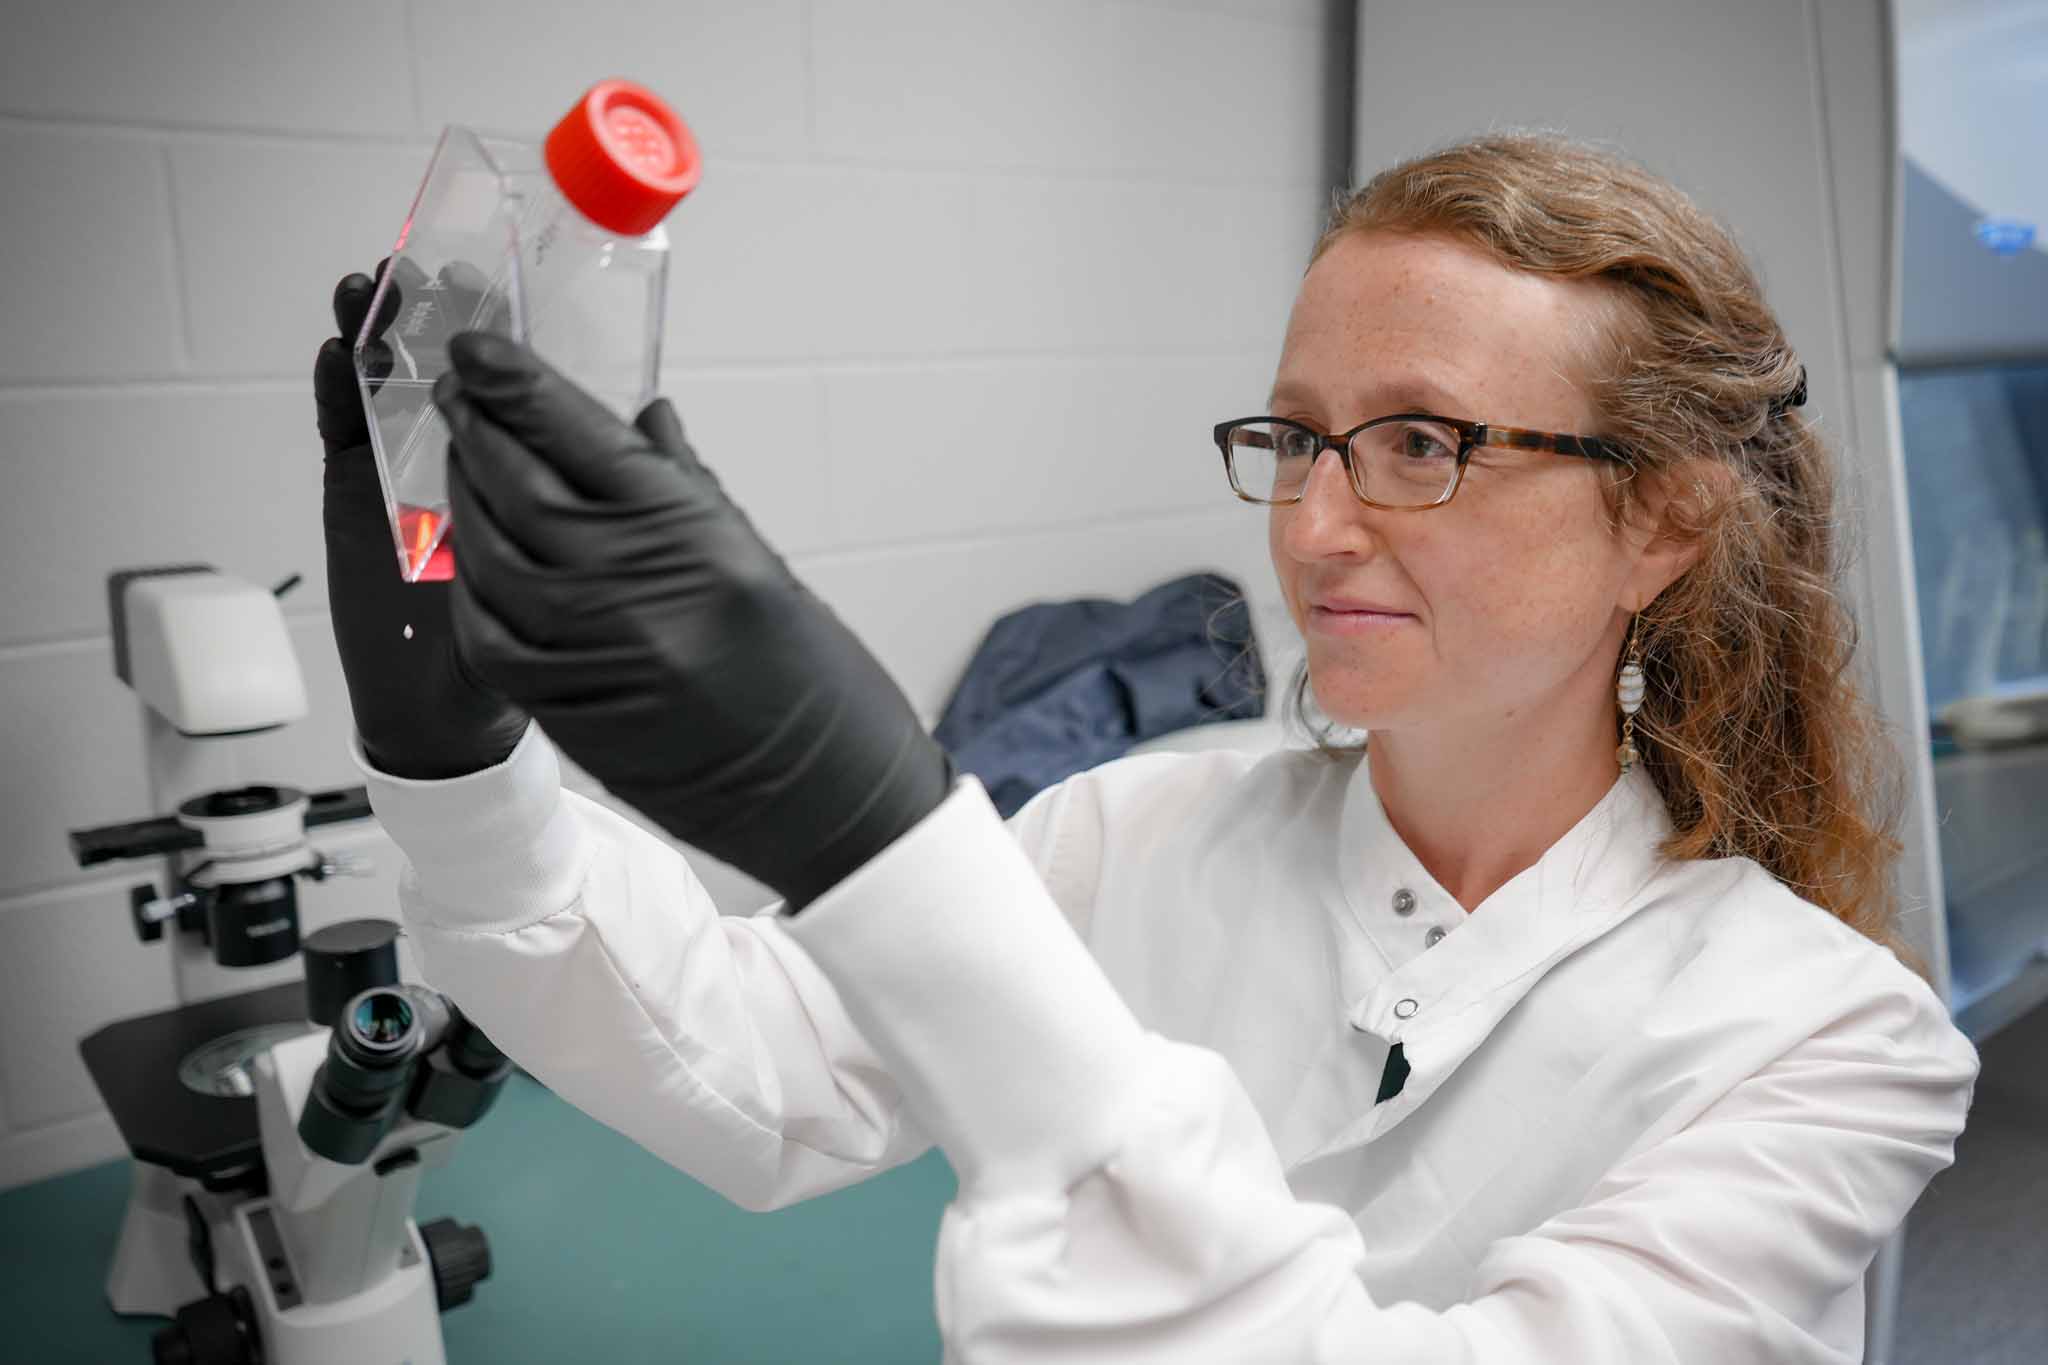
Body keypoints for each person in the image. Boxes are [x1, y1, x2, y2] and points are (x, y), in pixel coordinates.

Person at [311, 133, 1977, 1362]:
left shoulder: (1829, 1042)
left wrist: (883, 838)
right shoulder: (1145, 823)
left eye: (1418, 443)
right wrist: (460, 768)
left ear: (1664, 521)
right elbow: (764, 1074)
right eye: (1297, 437)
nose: (1317, 525)